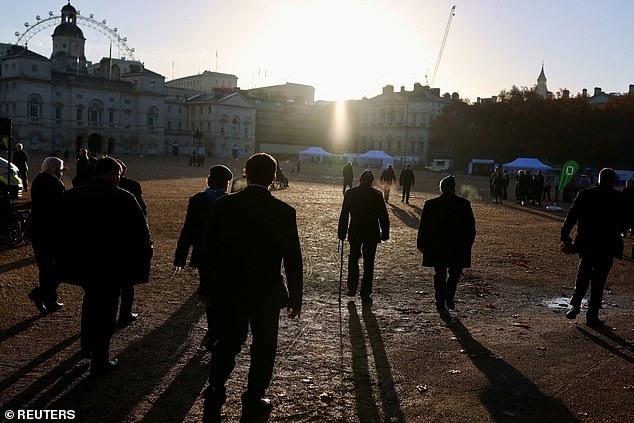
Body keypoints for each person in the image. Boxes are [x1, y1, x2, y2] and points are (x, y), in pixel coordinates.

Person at [198, 153, 302, 422]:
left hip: (228, 287)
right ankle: (254, 396)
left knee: (228, 342)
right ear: (274, 177)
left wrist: (205, 287)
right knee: (264, 345)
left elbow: (207, 251)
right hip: (266, 291)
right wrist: (296, 297)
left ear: (246, 173)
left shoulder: (224, 206)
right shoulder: (284, 212)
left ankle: (215, 389)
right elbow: (293, 259)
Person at [58, 157, 152, 374]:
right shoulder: (124, 197)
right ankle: (101, 359)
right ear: (111, 174)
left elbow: (59, 231)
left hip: (82, 264)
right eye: (118, 175)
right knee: (107, 311)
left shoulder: (73, 195)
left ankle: (87, 349)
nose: (119, 179)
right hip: (112, 266)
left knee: (90, 304)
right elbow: (141, 235)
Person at [174, 164, 233, 349]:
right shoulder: (231, 201)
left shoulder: (197, 200)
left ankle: (213, 331)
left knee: (208, 293)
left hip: (204, 255)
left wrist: (181, 255)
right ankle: (218, 331)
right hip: (226, 256)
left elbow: (188, 230)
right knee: (221, 294)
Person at [561, 168, 626, 326]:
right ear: (613, 180)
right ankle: (592, 314)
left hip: (587, 241)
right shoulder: (619, 197)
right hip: (608, 243)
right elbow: (625, 221)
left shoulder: (585, 194)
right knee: (599, 280)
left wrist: (565, 236)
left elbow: (571, 216)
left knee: (583, 273)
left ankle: (575, 305)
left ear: (598, 178)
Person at [417, 175, 476, 314]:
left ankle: (440, 299)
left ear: (441, 188)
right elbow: (470, 228)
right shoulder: (464, 204)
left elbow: (424, 227)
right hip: (457, 247)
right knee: (454, 273)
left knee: (439, 273)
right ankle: (449, 295)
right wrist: (468, 245)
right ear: (453, 188)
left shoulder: (430, 204)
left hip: (437, 246)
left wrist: (421, 244)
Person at [338, 169, 390, 304]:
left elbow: (344, 215)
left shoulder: (350, 193)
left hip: (355, 230)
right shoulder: (377, 195)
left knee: (353, 258)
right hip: (371, 232)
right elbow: (383, 216)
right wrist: (385, 233)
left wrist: (341, 233)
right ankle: (366, 292)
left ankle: (352, 287)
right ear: (371, 182)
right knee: (369, 263)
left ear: (360, 180)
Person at [27, 157, 67, 314]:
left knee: (45, 267)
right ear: (56, 170)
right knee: (62, 266)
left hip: (37, 228)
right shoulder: (55, 183)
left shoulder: (38, 179)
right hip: (49, 230)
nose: (62, 173)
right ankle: (40, 293)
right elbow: (60, 208)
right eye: (61, 170)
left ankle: (50, 301)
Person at [116, 159, 148, 326]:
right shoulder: (132, 188)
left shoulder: (89, 188)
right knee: (126, 282)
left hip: (99, 244)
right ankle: (124, 314)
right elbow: (142, 211)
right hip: (125, 241)